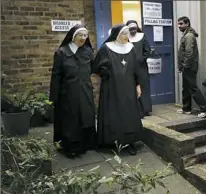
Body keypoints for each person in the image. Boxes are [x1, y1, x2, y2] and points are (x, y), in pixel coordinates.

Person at [93, 24, 143, 155]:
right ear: (117, 35)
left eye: (128, 33)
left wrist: (138, 85)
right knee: (114, 113)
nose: (128, 36)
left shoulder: (131, 48)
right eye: (125, 33)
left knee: (129, 113)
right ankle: (114, 141)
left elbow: (136, 69)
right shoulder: (106, 48)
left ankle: (130, 141)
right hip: (112, 88)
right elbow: (96, 67)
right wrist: (106, 72)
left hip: (129, 87)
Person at [49, 24, 96, 157]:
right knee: (70, 120)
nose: (83, 38)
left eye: (85, 35)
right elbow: (56, 75)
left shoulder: (88, 52)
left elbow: (94, 68)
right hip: (67, 93)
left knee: (86, 117)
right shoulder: (62, 52)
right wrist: (54, 96)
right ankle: (70, 147)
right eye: (80, 35)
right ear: (73, 36)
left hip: (85, 91)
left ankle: (85, 144)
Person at [177, 16, 206, 117]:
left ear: (187, 24)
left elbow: (189, 52)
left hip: (189, 66)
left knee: (192, 87)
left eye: (181, 24)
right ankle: (186, 108)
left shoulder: (189, 36)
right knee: (186, 87)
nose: (179, 26)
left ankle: (205, 108)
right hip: (187, 66)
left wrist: (185, 65)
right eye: (178, 24)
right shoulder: (186, 34)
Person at [126, 20, 152, 118]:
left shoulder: (142, 36)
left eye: (134, 28)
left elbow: (147, 50)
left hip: (141, 67)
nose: (133, 31)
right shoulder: (126, 38)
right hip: (129, 67)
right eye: (131, 29)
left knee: (143, 87)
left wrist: (141, 59)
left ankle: (145, 109)